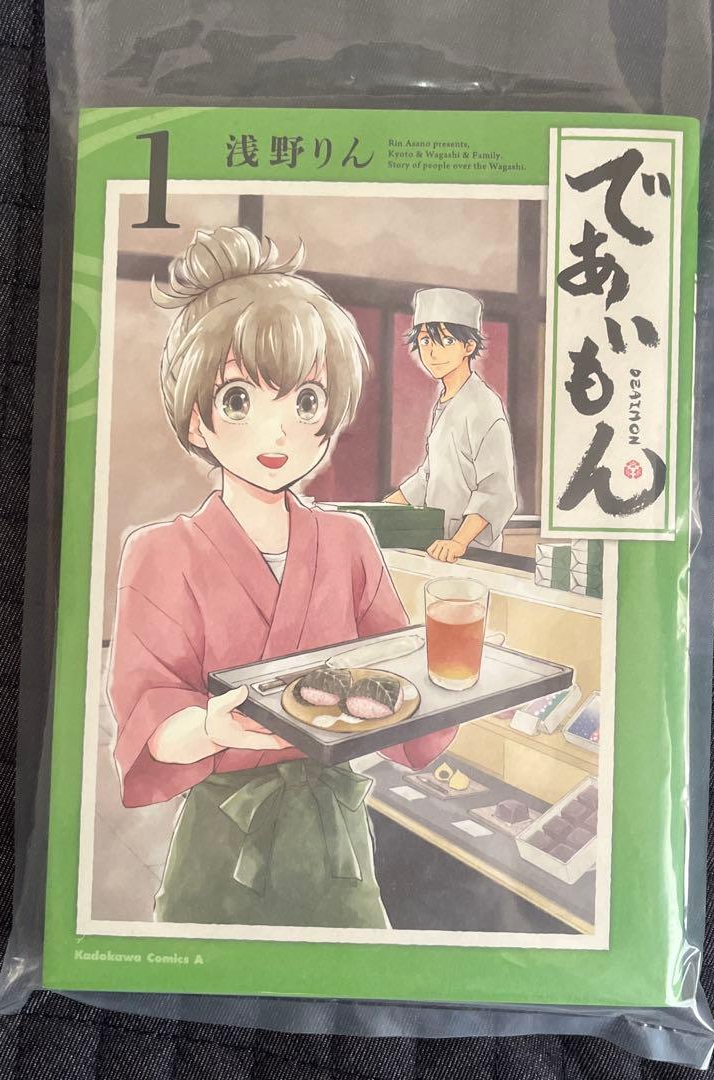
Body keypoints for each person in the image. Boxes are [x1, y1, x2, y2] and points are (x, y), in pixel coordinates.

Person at [107, 226, 454, 930]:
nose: (279, 434)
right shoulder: (159, 553)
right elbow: (146, 716)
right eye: (239, 400)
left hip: (334, 832)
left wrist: (461, 684)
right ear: (197, 419)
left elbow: (397, 673)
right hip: (223, 834)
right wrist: (211, 725)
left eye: (306, 402)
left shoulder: (348, 540)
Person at [385, 288, 518, 562]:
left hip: (472, 551)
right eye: (425, 341)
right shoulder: (445, 400)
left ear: (468, 346)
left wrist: (458, 541)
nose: (433, 352)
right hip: (439, 544)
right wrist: (382, 510)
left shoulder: (483, 405)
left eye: (446, 340)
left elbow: (496, 489)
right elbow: (428, 475)